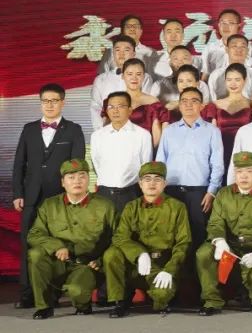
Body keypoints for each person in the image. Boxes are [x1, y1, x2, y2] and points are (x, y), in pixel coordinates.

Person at [13, 84, 86, 309]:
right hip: (31, 197)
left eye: (54, 100)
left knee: (58, 244)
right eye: (46, 101)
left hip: (59, 198)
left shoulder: (73, 129)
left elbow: (77, 166)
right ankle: (27, 294)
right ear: (40, 103)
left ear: (63, 102)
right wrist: (18, 193)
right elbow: (19, 164)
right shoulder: (29, 129)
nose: (50, 105)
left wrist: (73, 194)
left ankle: (53, 294)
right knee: (28, 244)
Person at [195, 151, 252, 316]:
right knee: (203, 253)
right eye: (239, 171)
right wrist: (219, 241)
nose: (244, 176)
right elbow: (215, 223)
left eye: (250, 171)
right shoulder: (224, 194)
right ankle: (211, 301)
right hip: (230, 247)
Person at [26, 159, 116, 319]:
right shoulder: (49, 205)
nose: (77, 181)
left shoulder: (105, 206)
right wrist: (57, 246)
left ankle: (82, 303)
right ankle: (44, 307)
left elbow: (117, 238)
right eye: (71, 177)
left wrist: (101, 260)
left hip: (86, 265)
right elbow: (34, 234)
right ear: (63, 182)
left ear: (89, 179)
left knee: (78, 292)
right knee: (35, 254)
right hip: (57, 262)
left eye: (82, 176)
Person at [103, 161, 191, 317]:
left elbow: (183, 243)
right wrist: (140, 254)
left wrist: (169, 270)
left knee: (162, 296)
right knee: (111, 254)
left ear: (165, 183)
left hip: (161, 266)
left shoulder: (177, 207)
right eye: (147, 179)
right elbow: (120, 237)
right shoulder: (131, 207)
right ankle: (119, 301)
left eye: (157, 179)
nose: (152, 183)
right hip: (135, 265)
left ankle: (162, 295)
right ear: (140, 184)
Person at [156, 87, 224, 285]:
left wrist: (212, 192)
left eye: (194, 101)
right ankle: (173, 285)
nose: (188, 104)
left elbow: (217, 165)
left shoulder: (212, 131)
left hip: (199, 193)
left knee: (197, 237)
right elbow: (160, 162)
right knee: (172, 238)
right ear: (179, 105)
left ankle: (198, 287)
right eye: (184, 101)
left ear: (202, 106)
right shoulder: (169, 131)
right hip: (172, 192)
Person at [92, 92, 154, 211]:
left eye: (120, 106)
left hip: (132, 193)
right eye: (111, 107)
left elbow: (146, 166)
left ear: (130, 110)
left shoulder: (143, 135)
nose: (115, 111)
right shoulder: (97, 136)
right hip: (104, 193)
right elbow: (97, 164)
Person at [89, 35, 153, 130]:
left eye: (126, 50)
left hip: (135, 130)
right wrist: (101, 131)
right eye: (117, 50)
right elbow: (95, 107)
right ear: (113, 53)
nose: (121, 54)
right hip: (107, 131)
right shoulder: (101, 79)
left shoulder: (144, 77)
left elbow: (145, 106)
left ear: (134, 54)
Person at [201, 64, 252, 175]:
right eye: (229, 80)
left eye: (237, 80)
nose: (233, 84)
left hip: (244, 151)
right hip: (221, 151)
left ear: (245, 81)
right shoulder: (215, 105)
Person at [101, 58, 165, 146]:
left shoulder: (152, 102)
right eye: (129, 74)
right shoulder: (111, 101)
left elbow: (156, 134)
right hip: (117, 147)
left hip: (144, 148)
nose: (134, 78)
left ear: (143, 76)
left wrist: (152, 153)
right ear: (123, 76)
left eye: (138, 74)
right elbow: (105, 129)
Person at [207, 35, 252, 101]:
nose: (239, 50)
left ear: (247, 50)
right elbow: (212, 101)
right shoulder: (216, 75)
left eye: (243, 47)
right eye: (234, 46)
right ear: (227, 49)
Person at [201, 9, 244, 80]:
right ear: (218, 25)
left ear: (239, 26)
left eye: (231, 23)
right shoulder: (210, 48)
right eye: (223, 23)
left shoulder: (249, 48)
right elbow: (205, 75)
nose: (226, 27)